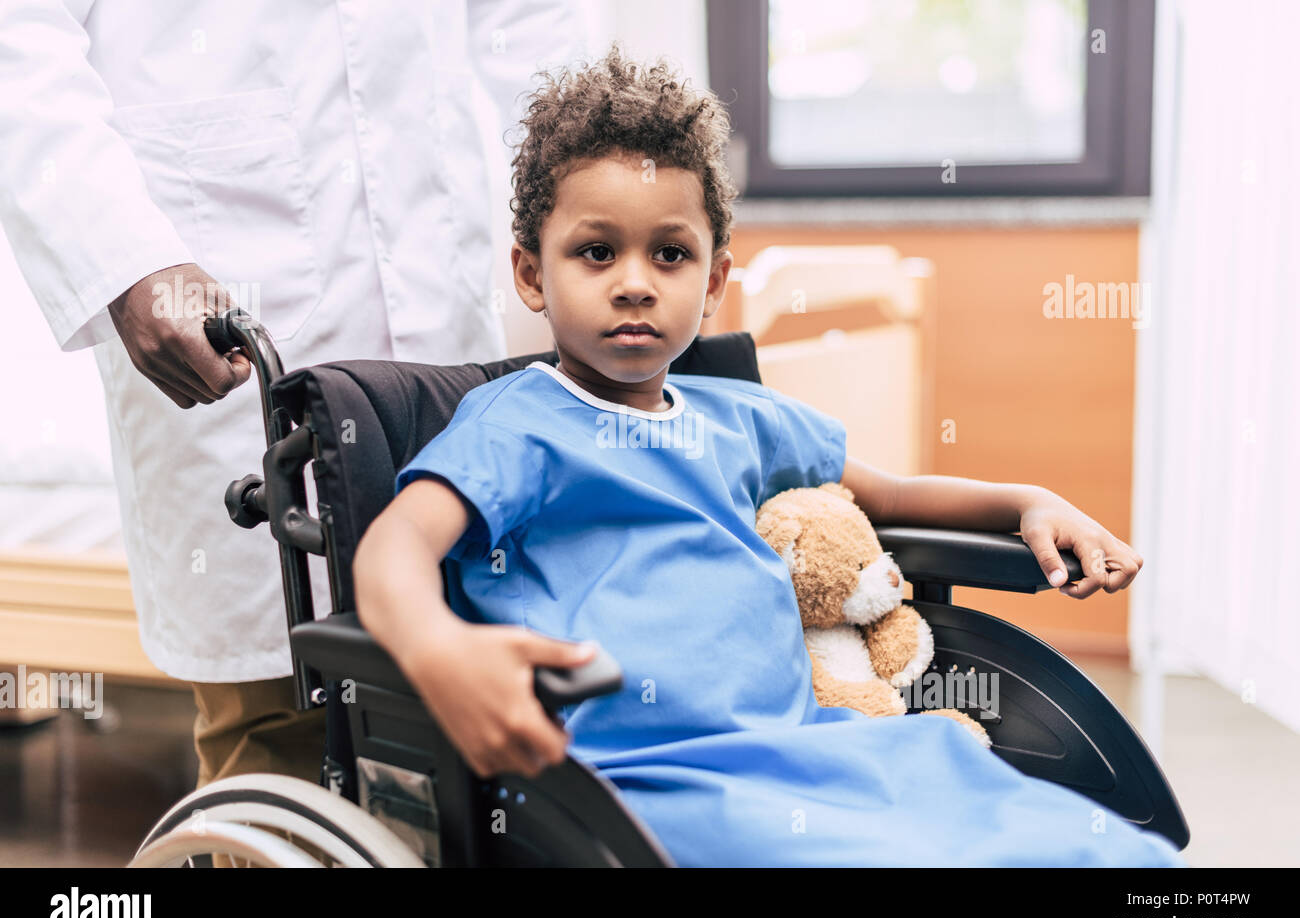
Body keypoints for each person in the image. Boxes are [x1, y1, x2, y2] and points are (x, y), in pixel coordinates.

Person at [352, 45, 1185, 866]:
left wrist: (1027, 501)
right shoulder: (516, 425)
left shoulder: (740, 416)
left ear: (713, 282)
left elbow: (889, 495)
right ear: (533, 275)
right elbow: (396, 544)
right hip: (639, 786)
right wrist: (436, 649)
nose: (636, 282)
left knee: (1096, 851)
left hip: (818, 749)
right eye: (597, 252)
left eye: (669, 254)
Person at [0, 0, 587, 792]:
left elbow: (532, 21)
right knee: (279, 737)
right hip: (233, 298)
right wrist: (126, 260)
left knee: (474, 741)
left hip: (440, 294)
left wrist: (598, 197)